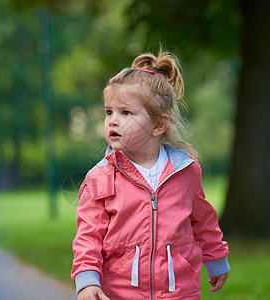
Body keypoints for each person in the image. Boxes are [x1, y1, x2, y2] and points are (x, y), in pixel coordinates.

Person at [71, 49, 230, 300]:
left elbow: (203, 220)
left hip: (179, 291)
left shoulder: (185, 171)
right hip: (121, 292)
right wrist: (87, 280)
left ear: (158, 125)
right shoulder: (100, 177)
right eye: (109, 112)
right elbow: (88, 237)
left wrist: (216, 258)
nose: (113, 120)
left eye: (126, 113)